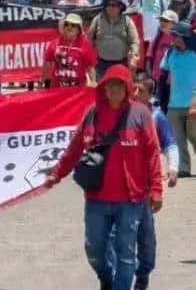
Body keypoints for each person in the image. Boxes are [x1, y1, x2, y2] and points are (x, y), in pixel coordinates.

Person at [45, 65, 163, 290]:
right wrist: (56, 174)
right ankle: (106, 277)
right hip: (97, 198)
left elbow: (152, 155)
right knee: (94, 250)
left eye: (120, 85)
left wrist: (156, 190)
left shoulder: (141, 115)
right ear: (103, 88)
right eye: (110, 85)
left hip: (130, 200)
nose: (115, 90)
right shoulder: (92, 114)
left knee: (126, 254)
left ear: (128, 88)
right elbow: (74, 148)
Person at [104, 77, 178, 290]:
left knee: (145, 237)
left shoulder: (156, 117)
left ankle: (143, 274)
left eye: (141, 90)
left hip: (144, 191)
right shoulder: (118, 113)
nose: (135, 93)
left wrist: (172, 169)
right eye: (133, 88)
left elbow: (170, 143)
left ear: (150, 95)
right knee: (113, 236)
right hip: (118, 190)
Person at [157, 22, 196, 176]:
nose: (174, 38)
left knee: (194, 135)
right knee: (178, 138)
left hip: (193, 102)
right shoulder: (170, 53)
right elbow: (163, 73)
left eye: (177, 36)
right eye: (173, 35)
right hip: (174, 103)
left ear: (185, 37)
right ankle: (184, 168)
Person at [88, 0, 139, 78]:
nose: (110, 7)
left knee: (119, 88)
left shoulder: (127, 21)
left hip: (121, 63)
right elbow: (89, 39)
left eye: (114, 5)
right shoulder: (97, 20)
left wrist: (134, 57)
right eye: (108, 5)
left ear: (120, 7)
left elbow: (134, 41)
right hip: (101, 64)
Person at [42, 13, 97, 87]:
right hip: (57, 88)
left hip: (78, 89)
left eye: (73, 25)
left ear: (79, 30)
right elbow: (47, 63)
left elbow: (90, 67)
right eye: (67, 24)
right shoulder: (54, 43)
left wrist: (93, 82)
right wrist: (45, 82)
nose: (69, 27)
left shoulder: (86, 45)